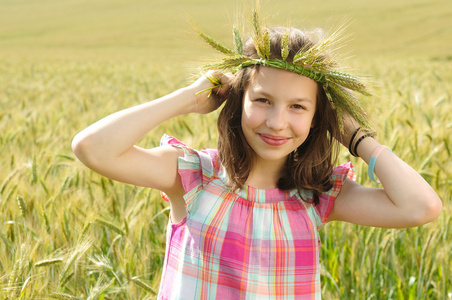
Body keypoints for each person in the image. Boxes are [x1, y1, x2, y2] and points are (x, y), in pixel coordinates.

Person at [72, 12, 442, 300]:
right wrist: (187, 99)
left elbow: (421, 207)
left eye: (298, 106)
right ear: (238, 101)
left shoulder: (317, 194)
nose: (277, 122)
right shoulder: (194, 176)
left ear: (317, 119)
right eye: (263, 100)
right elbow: (92, 148)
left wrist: (355, 136)